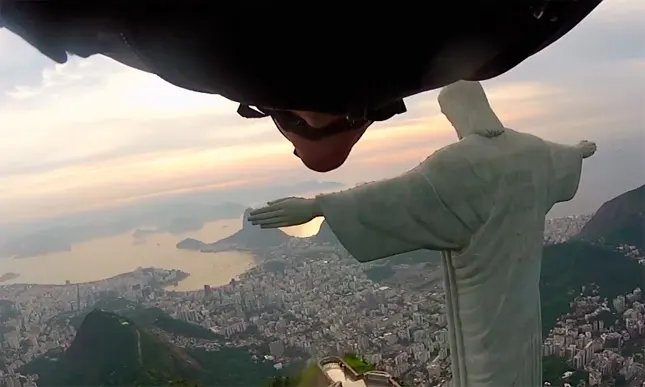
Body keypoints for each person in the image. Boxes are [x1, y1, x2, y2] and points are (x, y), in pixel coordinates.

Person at [247, 81, 597, 385]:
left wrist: (317, 206)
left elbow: (396, 195)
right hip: (524, 291)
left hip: (481, 292)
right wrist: (579, 151)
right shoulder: (532, 149)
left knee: (486, 367)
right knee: (523, 357)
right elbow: (561, 156)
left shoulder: (457, 163)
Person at [0, 1, 602, 172]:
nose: (280, 131)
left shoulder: (483, 51)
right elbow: (92, 26)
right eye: (283, 127)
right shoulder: (230, 63)